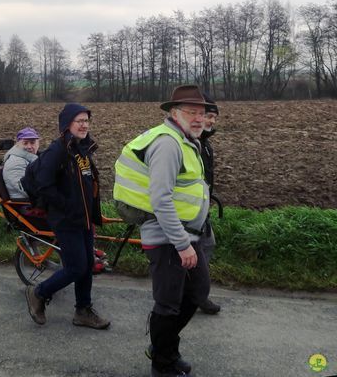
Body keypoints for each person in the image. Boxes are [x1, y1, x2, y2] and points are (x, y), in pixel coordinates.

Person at [114, 84, 212, 377]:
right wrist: (182, 244)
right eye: (191, 112)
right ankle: (163, 363)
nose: (198, 118)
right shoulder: (168, 143)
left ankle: (163, 347)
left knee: (197, 292)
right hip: (168, 238)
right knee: (169, 304)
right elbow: (160, 198)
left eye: (202, 113)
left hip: (185, 235)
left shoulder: (183, 139)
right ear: (173, 113)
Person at [24, 103, 110, 330]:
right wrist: (67, 206)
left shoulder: (81, 149)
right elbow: (44, 184)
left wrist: (91, 213)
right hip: (65, 219)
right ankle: (39, 292)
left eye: (86, 120)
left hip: (84, 218)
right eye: (79, 120)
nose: (84, 125)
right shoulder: (58, 150)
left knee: (88, 263)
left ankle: (83, 310)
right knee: (76, 267)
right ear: (67, 125)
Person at [198, 93, 221, 315]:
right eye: (208, 116)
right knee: (201, 248)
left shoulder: (206, 145)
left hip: (202, 209)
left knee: (207, 245)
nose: (211, 121)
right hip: (191, 211)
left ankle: (197, 294)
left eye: (214, 117)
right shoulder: (194, 143)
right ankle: (195, 295)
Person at [2, 127, 40, 200]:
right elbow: (23, 189)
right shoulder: (16, 162)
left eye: (32, 142)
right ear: (18, 144)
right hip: (24, 203)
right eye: (25, 143)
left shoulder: (29, 158)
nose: (29, 147)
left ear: (38, 144)